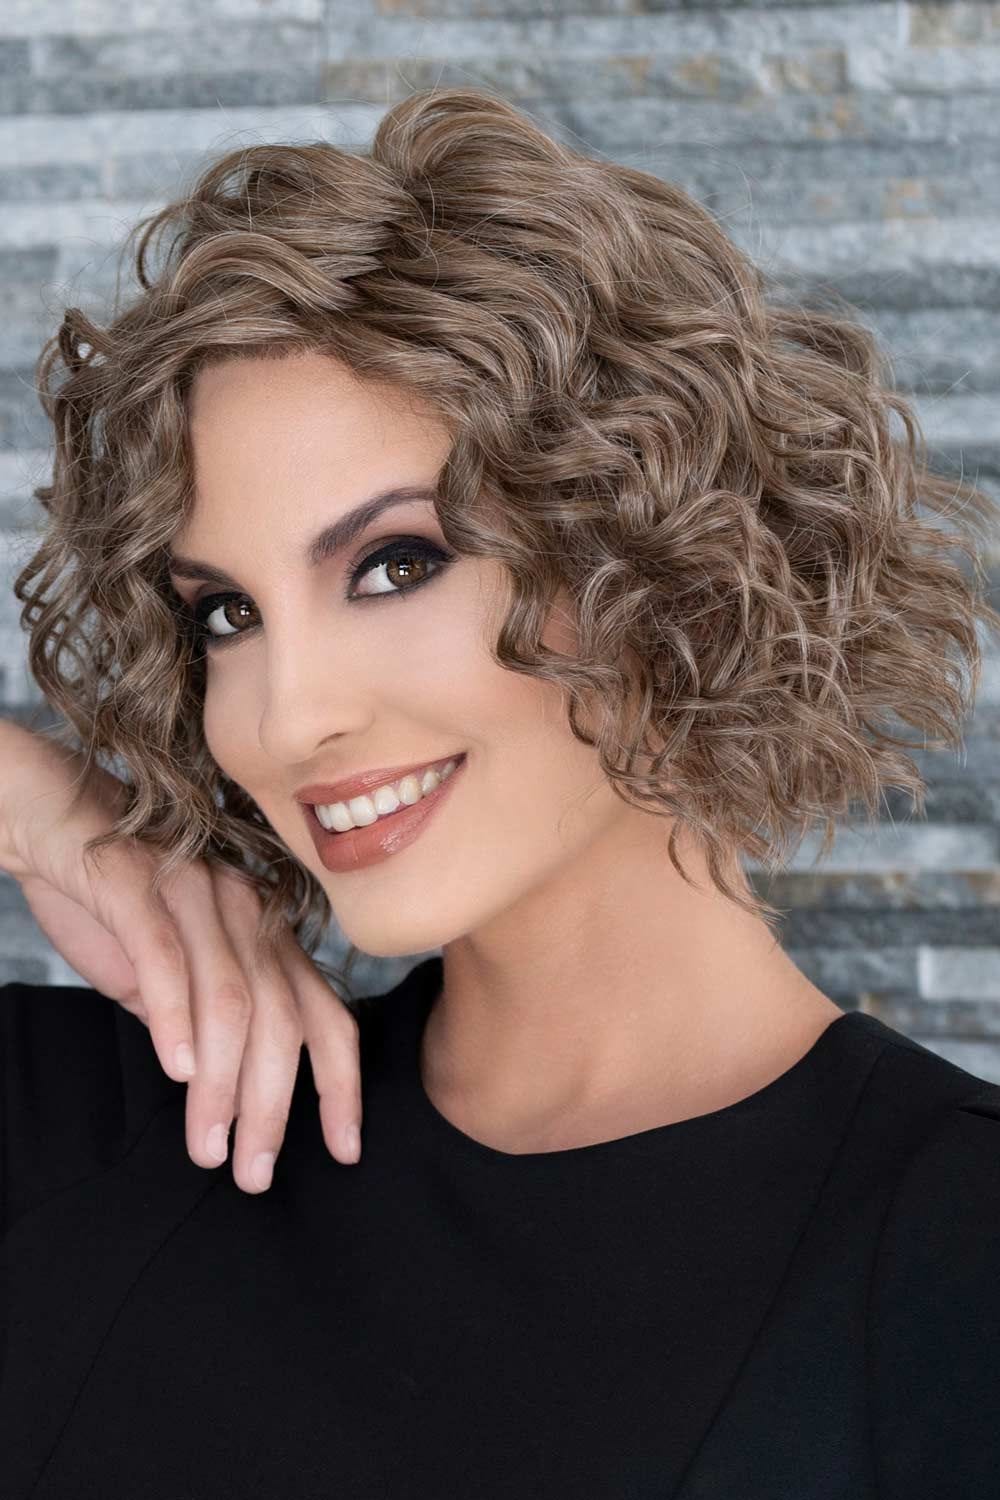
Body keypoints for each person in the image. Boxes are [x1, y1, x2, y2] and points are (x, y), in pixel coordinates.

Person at [1, 85, 999, 1499]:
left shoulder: (954, 1262)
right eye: (227, 613)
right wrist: (46, 812)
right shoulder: (102, 1139)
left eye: (396, 565)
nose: (288, 716)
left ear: (651, 550)